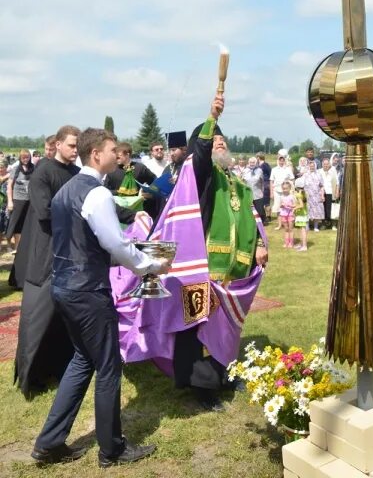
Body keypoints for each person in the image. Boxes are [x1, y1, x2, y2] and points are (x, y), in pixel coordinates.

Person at [112, 93, 268, 412]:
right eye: (215, 140)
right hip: (199, 269)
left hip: (230, 274)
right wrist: (210, 119)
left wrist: (261, 245)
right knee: (194, 327)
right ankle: (201, 387)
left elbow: (250, 216)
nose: (221, 143)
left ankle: (223, 374)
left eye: (223, 139)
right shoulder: (201, 178)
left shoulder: (234, 181)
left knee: (225, 329)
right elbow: (199, 158)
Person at [32, 128, 171, 467]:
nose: (117, 154)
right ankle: (113, 449)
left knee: (82, 359)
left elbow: (86, 243)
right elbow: (116, 245)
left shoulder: (67, 190)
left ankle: (49, 442)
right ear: (96, 154)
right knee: (108, 367)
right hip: (88, 292)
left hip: (64, 287)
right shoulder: (96, 194)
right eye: (112, 149)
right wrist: (151, 264)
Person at [14, 126, 81, 396]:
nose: (76, 151)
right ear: (58, 144)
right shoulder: (43, 172)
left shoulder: (77, 174)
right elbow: (44, 212)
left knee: (65, 318)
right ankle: (34, 374)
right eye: (72, 146)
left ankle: (63, 366)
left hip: (72, 255)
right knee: (38, 317)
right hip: (47, 254)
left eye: (78, 146)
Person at [6, 149, 35, 253]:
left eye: (27, 157)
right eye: (23, 157)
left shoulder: (33, 168)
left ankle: (18, 247)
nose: (25, 159)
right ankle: (9, 244)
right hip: (17, 200)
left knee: (23, 224)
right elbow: (9, 186)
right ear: (20, 158)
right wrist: (10, 201)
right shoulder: (16, 169)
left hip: (29, 200)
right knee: (13, 223)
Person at [270, 154, 294, 224]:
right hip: (276, 191)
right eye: (280, 160)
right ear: (278, 161)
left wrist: (292, 190)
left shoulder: (288, 169)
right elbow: (271, 181)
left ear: (285, 161)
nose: (281, 162)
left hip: (286, 191)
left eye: (283, 161)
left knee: (287, 206)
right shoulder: (274, 169)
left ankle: (288, 222)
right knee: (278, 207)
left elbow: (292, 179)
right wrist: (271, 193)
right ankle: (280, 224)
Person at [242, 156, 266, 224]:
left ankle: (260, 228)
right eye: (250, 162)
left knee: (259, 212)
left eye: (253, 162)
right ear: (248, 163)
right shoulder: (245, 171)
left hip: (258, 195)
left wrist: (262, 192)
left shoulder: (259, 170)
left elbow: (262, 182)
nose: (252, 164)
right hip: (248, 195)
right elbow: (242, 182)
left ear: (256, 163)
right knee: (250, 212)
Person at [303, 160, 324, 232]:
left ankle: (316, 227)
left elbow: (321, 186)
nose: (312, 167)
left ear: (315, 166)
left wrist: (322, 195)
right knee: (307, 211)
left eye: (313, 166)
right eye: (310, 166)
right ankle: (307, 226)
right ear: (308, 166)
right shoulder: (305, 175)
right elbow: (302, 185)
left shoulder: (319, 174)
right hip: (308, 196)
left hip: (317, 196)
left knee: (317, 211)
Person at [318, 158, 339, 230]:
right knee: (323, 209)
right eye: (324, 164)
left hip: (331, 193)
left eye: (327, 164)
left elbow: (337, 183)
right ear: (322, 164)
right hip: (322, 193)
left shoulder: (333, 171)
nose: (326, 165)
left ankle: (333, 224)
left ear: (329, 164)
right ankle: (324, 224)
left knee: (331, 209)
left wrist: (337, 192)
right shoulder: (319, 172)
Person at [279, 180, 296, 248]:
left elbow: (295, 205)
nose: (285, 190)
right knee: (286, 229)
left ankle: (291, 243)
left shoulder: (292, 196)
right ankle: (286, 242)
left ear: (290, 188)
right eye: (283, 188)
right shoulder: (281, 196)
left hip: (290, 214)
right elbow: (280, 205)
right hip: (283, 214)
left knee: (290, 229)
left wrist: (290, 205)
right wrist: (282, 205)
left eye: (286, 188)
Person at [293, 178, 308, 251]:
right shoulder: (304, 193)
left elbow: (301, 205)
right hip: (303, 214)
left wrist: (294, 208)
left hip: (301, 215)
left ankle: (304, 246)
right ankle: (302, 244)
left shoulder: (298, 195)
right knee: (302, 230)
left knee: (303, 231)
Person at [256, 152, 271, 218]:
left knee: (266, 201)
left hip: (265, 184)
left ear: (258, 157)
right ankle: (263, 215)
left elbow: (270, 174)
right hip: (259, 185)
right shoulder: (257, 165)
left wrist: (269, 184)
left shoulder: (265, 165)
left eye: (256, 157)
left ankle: (268, 216)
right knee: (261, 201)